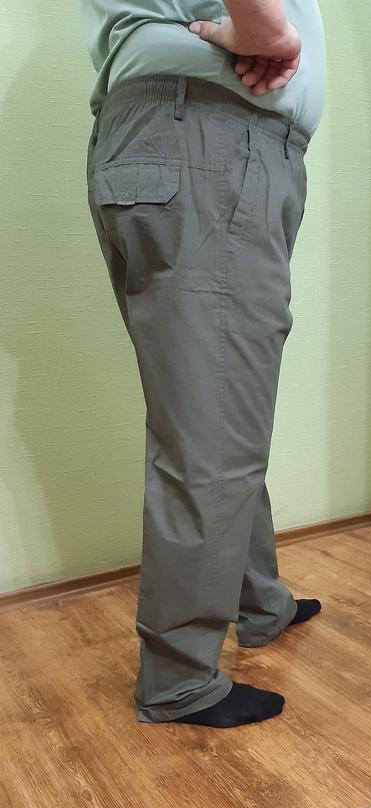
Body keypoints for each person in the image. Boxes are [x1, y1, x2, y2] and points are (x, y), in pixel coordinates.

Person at [81, 0, 326, 727]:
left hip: (174, 138)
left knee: (213, 412)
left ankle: (259, 601)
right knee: (214, 430)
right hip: (212, 136)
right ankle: (179, 681)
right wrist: (267, 32)